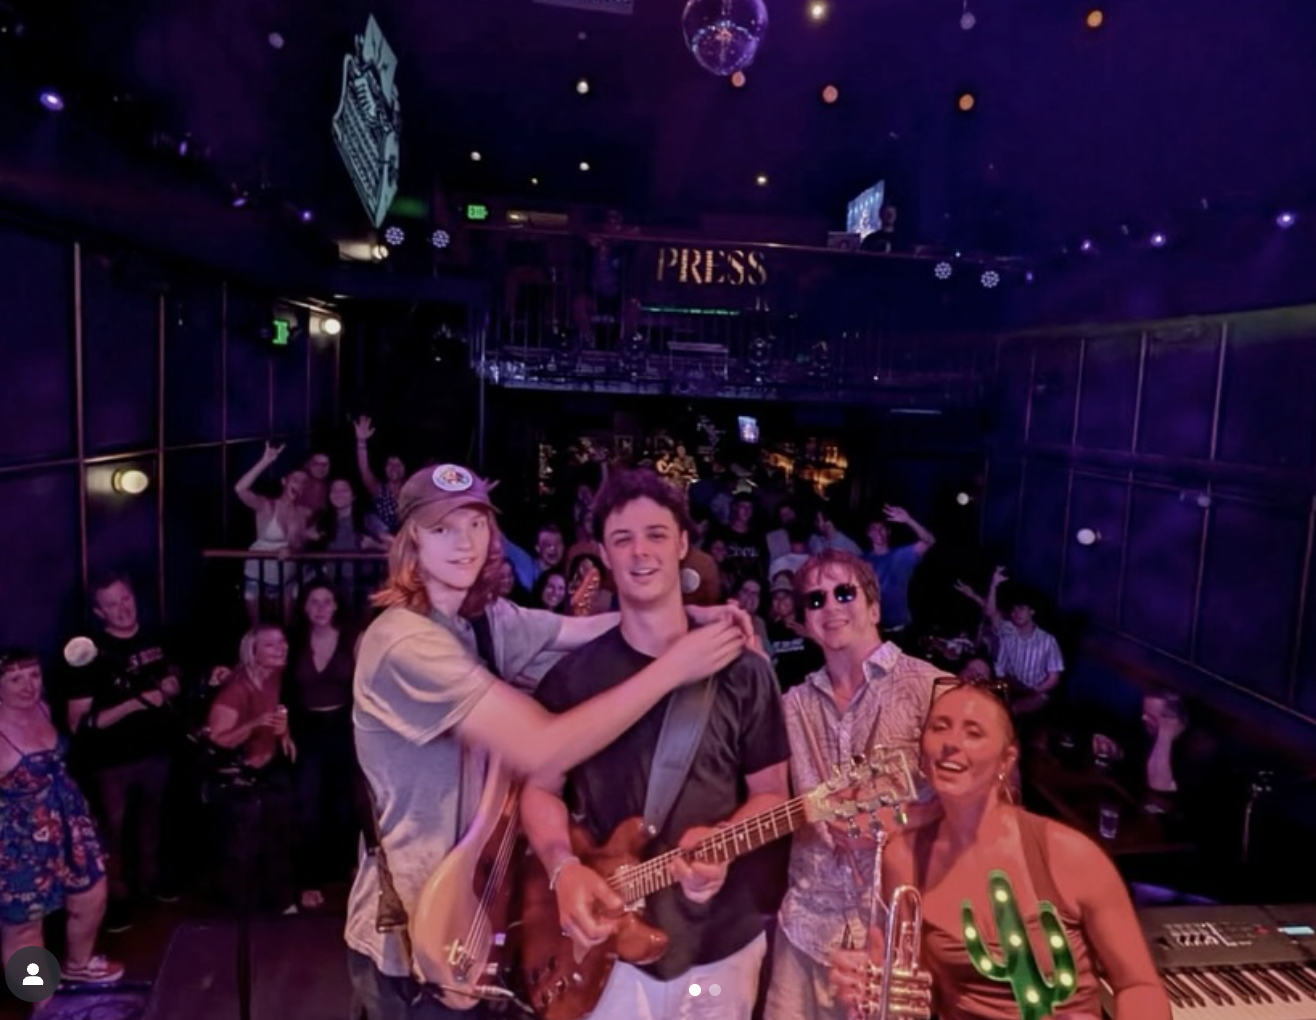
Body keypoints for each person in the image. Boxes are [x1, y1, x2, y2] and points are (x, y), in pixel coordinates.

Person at [346, 462, 754, 1020]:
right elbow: (542, 747)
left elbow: (578, 629)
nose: (464, 543)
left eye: (475, 524)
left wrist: (683, 615)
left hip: (488, 913)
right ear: (411, 540)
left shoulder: (482, 621)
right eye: (442, 529)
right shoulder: (402, 642)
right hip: (417, 936)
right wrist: (675, 667)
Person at [521, 468, 790, 1020]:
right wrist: (562, 868)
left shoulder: (743, 670)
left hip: (720, 942)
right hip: (605, 946)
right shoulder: (571, 679)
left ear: (683, 543)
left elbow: (772, 793)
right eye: (622, 539)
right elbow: (539, 789)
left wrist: (724, 842)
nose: (640, 552)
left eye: (656, 535)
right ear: (603, 554)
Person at [829, 682, 1170, 1020]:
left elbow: (1139, 986)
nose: (950, 743)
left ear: (1006, 761)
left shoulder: (1070, 855)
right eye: (939, 727)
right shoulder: (904, 858)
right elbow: (921, 998)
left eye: (973, 733)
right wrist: (875, 990)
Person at [762, 550, 943, 1020]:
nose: (830, 606)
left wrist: (903, 818)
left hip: (895, 938)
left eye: (844, 593)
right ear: (805, 622)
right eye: (815, 599)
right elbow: (765, 795)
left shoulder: (932, 688)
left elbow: (993, 800)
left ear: (875, 607)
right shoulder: (792, 706)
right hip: (805, 930)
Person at [66, 573, 185, 932]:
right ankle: (117, 899)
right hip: (111, 763)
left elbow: (174, 679)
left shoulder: (156, 637)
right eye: (112, 604)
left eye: (126, 599)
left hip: (157, 752)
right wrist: (135, 703)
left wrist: (172, 686)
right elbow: (79, 722)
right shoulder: (87, 655)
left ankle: (150, 882)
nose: (122, 609)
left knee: (154, 823)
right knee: (112, 834)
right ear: (99, 612)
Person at [1, 649, 124, 993]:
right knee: (24, 927)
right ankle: (40, 996)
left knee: (91, 895)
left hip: (69, 823)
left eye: (33, 676)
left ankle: (78, 966)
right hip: (19, 841)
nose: (28, 686)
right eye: (15, 680)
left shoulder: (43, 707)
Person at [205, 625, 297, 913]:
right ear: (253, 653)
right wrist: (254, 724)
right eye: (270, 645)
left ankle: (279, 903)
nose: (281, 649)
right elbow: (217, 739)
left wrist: (285, 733)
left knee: (277, 838)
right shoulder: (235, 691)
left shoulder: (275, 675)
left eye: (282, 642)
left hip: (268, 768)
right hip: (239, 777)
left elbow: (277, 711)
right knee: (243, 848)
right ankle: (242, 913)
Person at [285, 581, 361, 911]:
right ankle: (308, 880)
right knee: (308, 805)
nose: (320, 608)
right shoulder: (293, 641)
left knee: (347, 805)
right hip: (308, 730)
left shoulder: (353, 639)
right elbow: (281, 688)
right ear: (304, 607)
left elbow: (367, 687)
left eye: (326, 601)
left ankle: (351, 871)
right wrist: (284, 729)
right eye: (313, 601)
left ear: (336, 605)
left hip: (345, 727)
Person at [863, 505, 936, 633]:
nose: (878, 532)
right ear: (868, 533)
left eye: (882, 528)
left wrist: (908, 520)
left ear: (888, 532)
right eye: (874, 529)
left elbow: (930, 541)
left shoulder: (901, 556)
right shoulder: (862, 561)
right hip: (873, 630)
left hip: (899, 630)